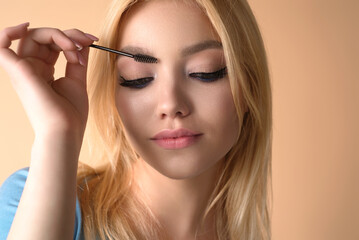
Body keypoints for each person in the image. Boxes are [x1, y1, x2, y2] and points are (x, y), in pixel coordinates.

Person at [0, 0, 272, 239]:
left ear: (249, 87)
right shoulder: (31, 197)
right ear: (114, 92)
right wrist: (57, 133)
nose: (171, 105)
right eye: (138, 78)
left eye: (205, 72)